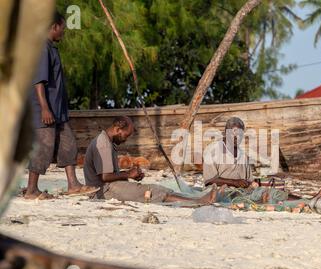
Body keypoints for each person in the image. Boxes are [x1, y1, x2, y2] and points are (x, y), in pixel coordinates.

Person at [25, 12, 98, 200]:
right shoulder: (42, 48)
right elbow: (38, 82)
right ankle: (31, 189)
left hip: (58, 111)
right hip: (45, 110)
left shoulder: (51, 48)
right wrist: (45, 108)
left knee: (68, 145)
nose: (63, 32)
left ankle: (73, 184)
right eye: (62, 28)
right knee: (43, 147)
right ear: (54, 26)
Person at [83, 116, 217, 204]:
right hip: (103, 192)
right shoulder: (103, 144)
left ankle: (196, 199)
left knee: (159, 188)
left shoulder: (107, 141)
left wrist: (130, 174)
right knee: (152, 192)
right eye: (126, 135)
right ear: (118, 129)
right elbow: (105, 176)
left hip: (109, 187)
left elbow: (108, 174)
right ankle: (197, 202)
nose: (125, 139)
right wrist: (129, 174)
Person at [203, 117, 254, 188]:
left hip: (240, 195)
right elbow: (209, 180)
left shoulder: (243, 155)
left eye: (240, 135)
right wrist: (234, 182)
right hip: (219, 194)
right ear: (226, 133)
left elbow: (249, 180)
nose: (237, 138)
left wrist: (252, 184)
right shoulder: (213, 150)